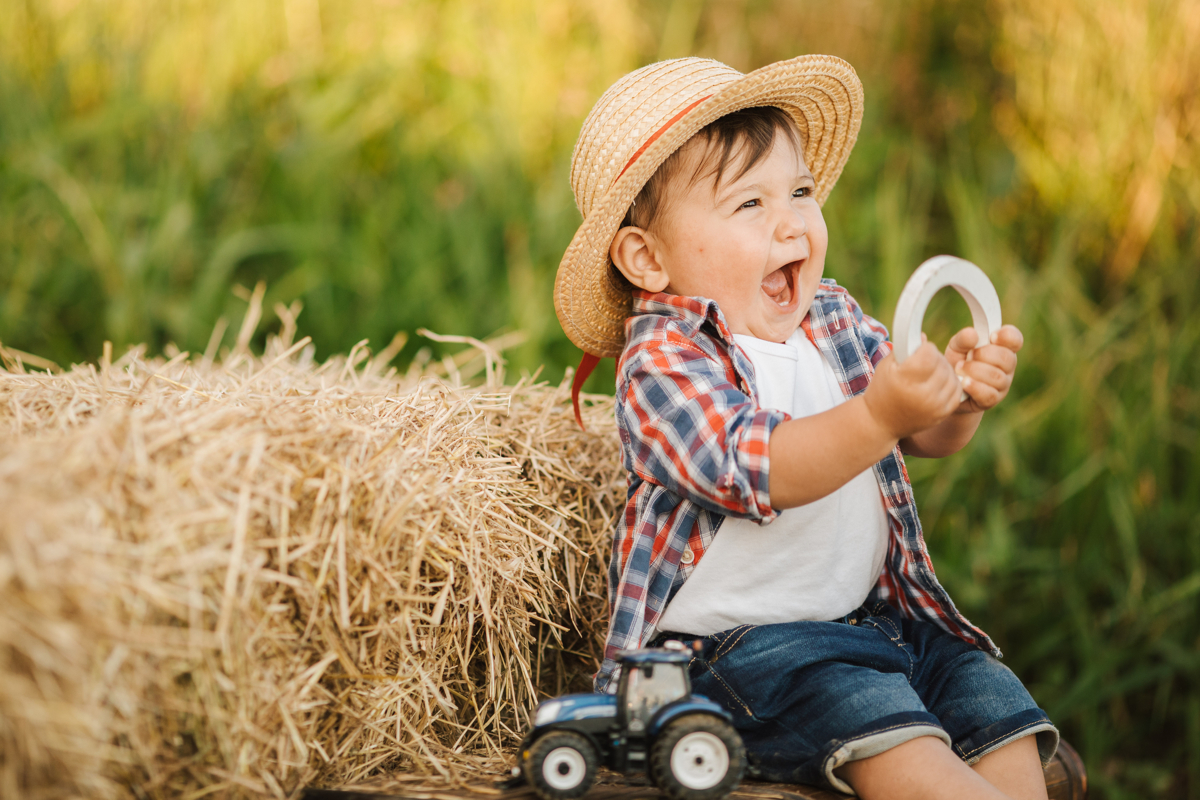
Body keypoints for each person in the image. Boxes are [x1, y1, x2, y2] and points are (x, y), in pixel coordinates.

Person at [552, 56, 1059, 800]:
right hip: (743, 652)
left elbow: (919, 438)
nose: (791, 221)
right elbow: (761, 469)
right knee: (897, 742)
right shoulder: (664, 362)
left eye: (800, 191)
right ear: (647, 257)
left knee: (989, 700)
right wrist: (882, 411)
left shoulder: (832, 317)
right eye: (749, 205)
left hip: (875, 621)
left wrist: (958, 402)